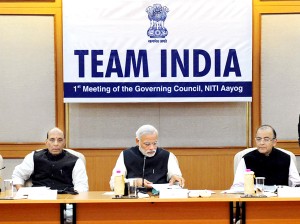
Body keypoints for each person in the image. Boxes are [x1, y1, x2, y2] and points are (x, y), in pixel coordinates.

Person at [12, 127, 88, 192]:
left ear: (64, 142)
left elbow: (82, 186)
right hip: (38, 198)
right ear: (46, 142)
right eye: (52, 140)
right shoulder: (33, 157)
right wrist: (21, 191)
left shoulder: (76, 161)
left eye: (60, 140)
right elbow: (18, 175)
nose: (56, 144)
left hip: (65, 198)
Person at [109, 124, 185, 190]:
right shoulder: (126, 155)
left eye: (155, 143)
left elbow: (177, 181)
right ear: (137, 141)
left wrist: (176, 179)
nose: (152, 148)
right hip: (133, 200)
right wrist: (135, 182)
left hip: (160, 201)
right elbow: (114, 183)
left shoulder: (167, 156)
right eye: (147, 144)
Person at [232, 124, 300, 188]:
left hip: (279, 199)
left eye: (266, 139)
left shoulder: (286, 158)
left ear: (274, 142)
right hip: (255, 198)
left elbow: (296, 184)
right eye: (259, 139)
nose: (262, 143)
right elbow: (238, 186)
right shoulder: (246, 159)